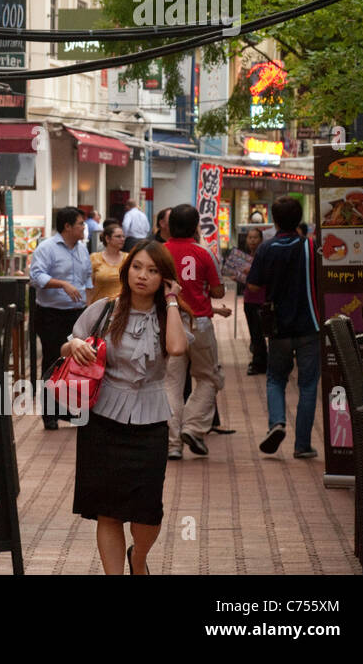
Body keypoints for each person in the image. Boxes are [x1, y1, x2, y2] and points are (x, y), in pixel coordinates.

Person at [62, 239, 188, 574]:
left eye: (152, 270)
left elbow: (176, 347)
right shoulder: (106, 308)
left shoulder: (168, 314)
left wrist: (173, 299)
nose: (142, 276)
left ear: (164, 278)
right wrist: (74, 344)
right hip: (102, 419)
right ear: (126, 268)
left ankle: (140, 559)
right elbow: (68, 343)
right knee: (108, 510)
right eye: (136, 267)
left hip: (150, 420)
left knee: (147, 512)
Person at [247, 197, 321, 459]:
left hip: (278, 327)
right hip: (310, 325)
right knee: (309, 384)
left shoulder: (267, 249)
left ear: (274, 220)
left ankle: (276, 423)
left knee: (275, 378)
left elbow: (254, 286)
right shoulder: (311, 247)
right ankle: (303, 446)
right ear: (300, 218)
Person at [162, 204, 226, 459]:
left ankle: (172, 444)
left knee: (171, 383)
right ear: (195, 226)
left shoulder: (161, 252)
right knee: (209, 378)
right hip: (199, 323)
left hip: (170, 322)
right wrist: (204, 290)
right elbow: (219, 291)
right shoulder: (204, 252)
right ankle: (193, 426)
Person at [29, 206, 93, 429]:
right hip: (51, 314)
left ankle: (73, 410)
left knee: (78, 362)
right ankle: (49, 413)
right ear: (67, 226)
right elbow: (36, 276)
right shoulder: (47, 248)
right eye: (80, 224)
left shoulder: (82, 249)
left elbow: (88, 280)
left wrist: (91, 309)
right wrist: (62, 284)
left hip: (77, 314)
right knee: (53, 361)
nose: (84, 228)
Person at [235, 228, 268, 375]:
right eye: (250, 237)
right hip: (248, 299)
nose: (252, 240)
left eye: (255, 237)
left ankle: (259, 363)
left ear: (261, 239)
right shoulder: (245, 257)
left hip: (261, 299)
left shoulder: (263, 256)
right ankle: (260, 360)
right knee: (254, 333)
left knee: (258, 332)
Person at [89, 221, 126, 303]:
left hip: (122, 306)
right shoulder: (95, 258)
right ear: (107, 239)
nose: (122, 239)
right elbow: (88, 286)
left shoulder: (127, 258)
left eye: (123, 236)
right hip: (99, 307)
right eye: (118, 236)